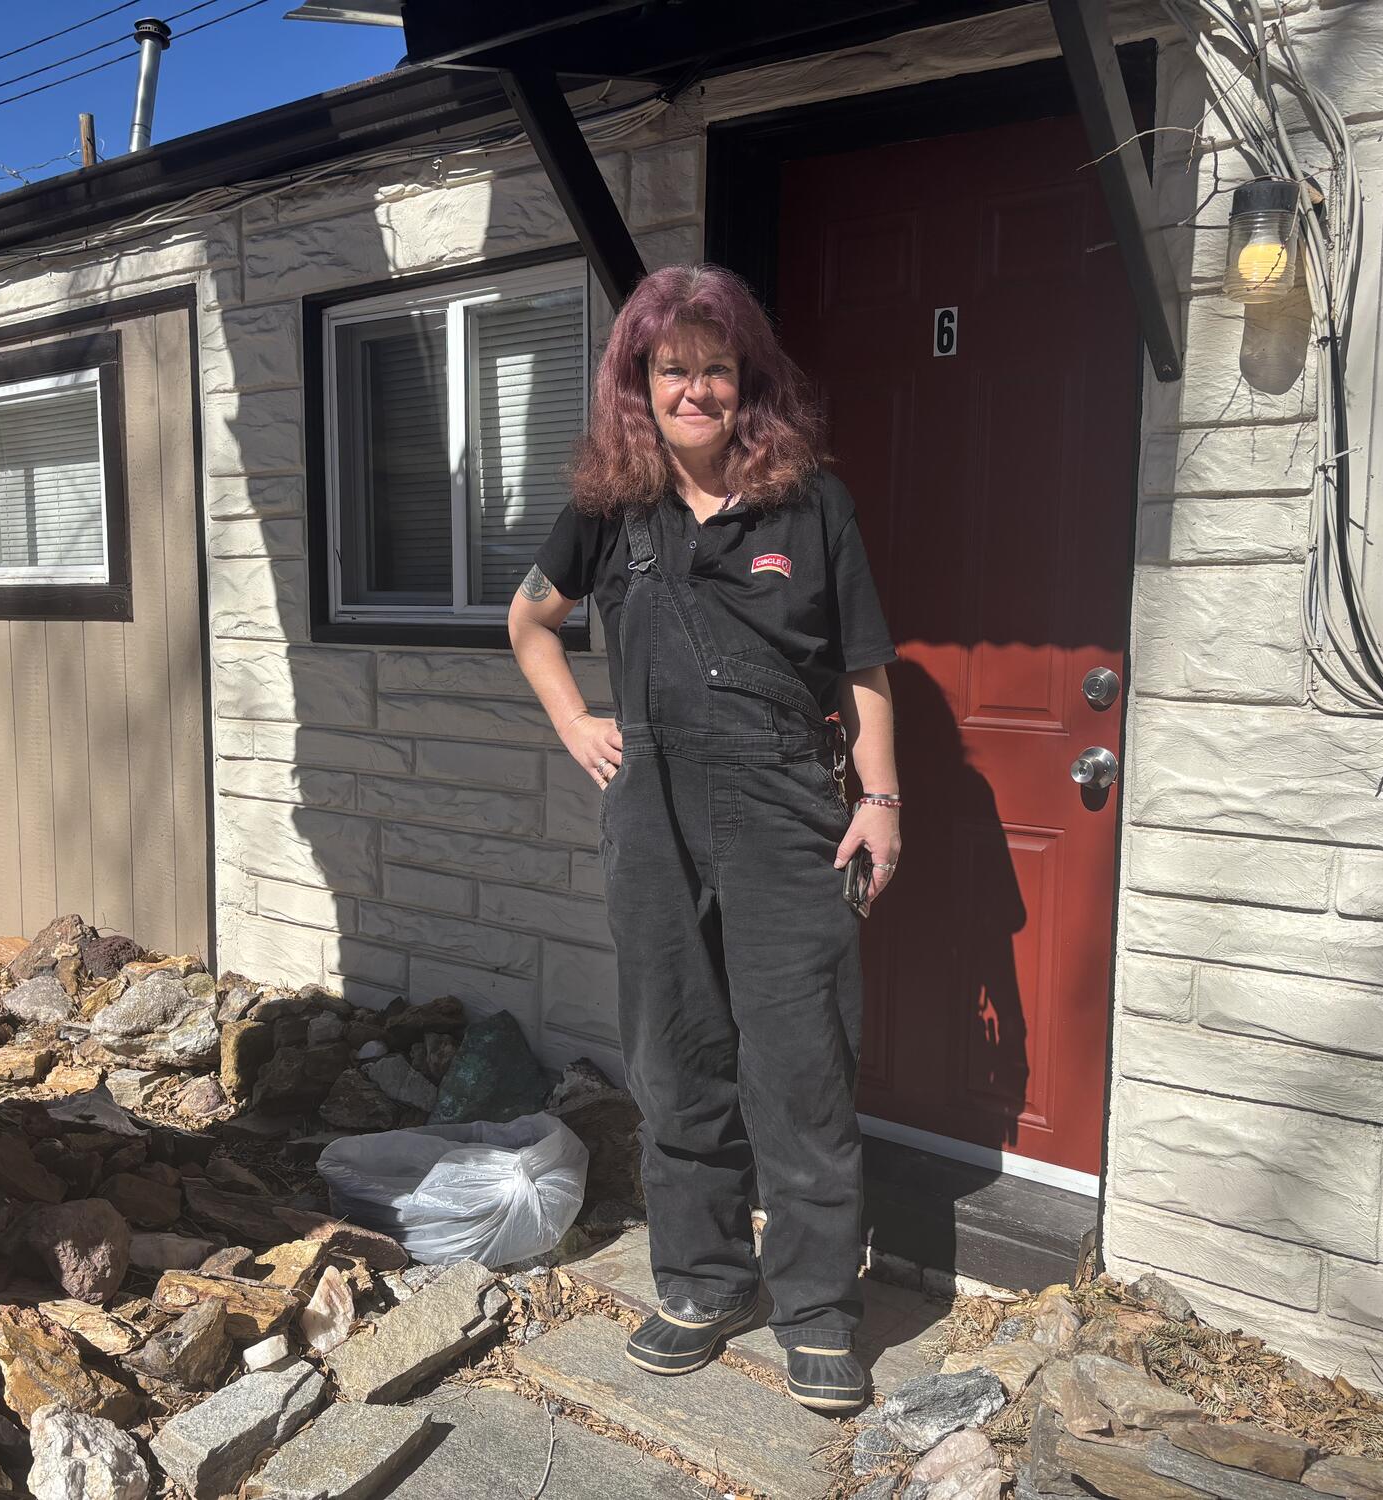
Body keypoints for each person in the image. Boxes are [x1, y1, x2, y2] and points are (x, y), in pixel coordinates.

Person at [508, 263, 901, 1412]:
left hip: (785, 807)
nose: (693, 390)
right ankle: (701, 1282)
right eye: (670, 369)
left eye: (714, 368)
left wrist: (879, 800)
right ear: (637, 383)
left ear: (747, 380)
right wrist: (574, 721)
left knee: (801, 1066)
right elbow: (530, 620)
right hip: (652, 811)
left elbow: (862, 667)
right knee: (675, 1057)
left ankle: (817, 1309)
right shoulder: (608, 508)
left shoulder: (810, 505)